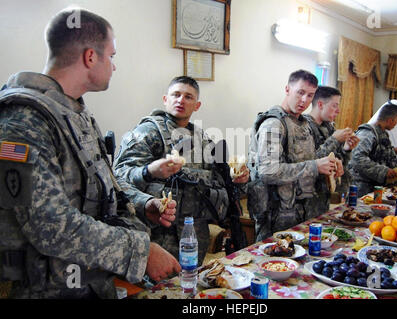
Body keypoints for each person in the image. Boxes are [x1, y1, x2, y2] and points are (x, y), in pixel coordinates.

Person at [0, 8, 180, 299]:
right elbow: (51, 227)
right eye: (112, 56)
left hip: (91, 284)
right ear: (90, 57)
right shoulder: (23, 122)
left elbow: (104, 183)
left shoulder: (75, 114)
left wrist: (144, 203)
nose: (114, 66)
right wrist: (141, 252)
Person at [114, 76, 249, 266]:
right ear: (165, 99)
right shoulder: (147, 132)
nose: (181, 100)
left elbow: (221, 182)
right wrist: (149, 171)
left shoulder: (203, 139)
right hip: (158, 237)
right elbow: (118, 176)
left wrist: (239, 180)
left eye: (188, 97)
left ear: (197, 105)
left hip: (195, 235)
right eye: (176, 95)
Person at [247, 70, 341, 241]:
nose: (304, 100)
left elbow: (307, 159)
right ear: (287, 89)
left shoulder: (303, 123)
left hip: (301, 210)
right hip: (276, 216)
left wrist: (331, 164)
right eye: (300, 92)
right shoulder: (273, 124)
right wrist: (315, 166)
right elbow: (268, 171)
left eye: (310, 95)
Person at [303, 86, 359, 218]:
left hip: (324, 196)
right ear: (320, 104)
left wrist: (346, 149)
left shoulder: (328, 127)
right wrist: (334, 140)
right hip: (306, 199)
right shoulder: (303, 127)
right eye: (334, 106)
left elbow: (338, 165)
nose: (338, 111)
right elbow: (309, 162)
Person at [349, 101, 397, 197]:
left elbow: (390, 160)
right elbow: (357, 159)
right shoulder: (367, 134)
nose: (396, 124)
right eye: (396, 121)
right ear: (390, 120)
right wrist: (383, 171)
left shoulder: (382, 134)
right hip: (362, 188)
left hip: (377, 187)